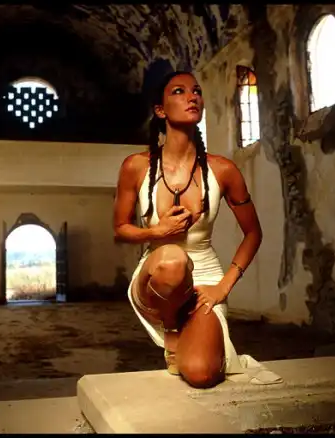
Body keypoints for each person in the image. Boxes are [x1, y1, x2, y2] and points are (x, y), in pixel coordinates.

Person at [113, 70, 263, 389]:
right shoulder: (136, 166)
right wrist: (157, 232)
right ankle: (171, 326)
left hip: (204, 275)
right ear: (160, 110)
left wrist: (223, 287)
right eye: (179, 92)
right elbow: (120, 229)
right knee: (173, 259)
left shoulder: (223, 169)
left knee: (201, 373)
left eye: (196, 91)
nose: (192, 96)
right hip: (157, 275)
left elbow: (253, 233)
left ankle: (192, 337)